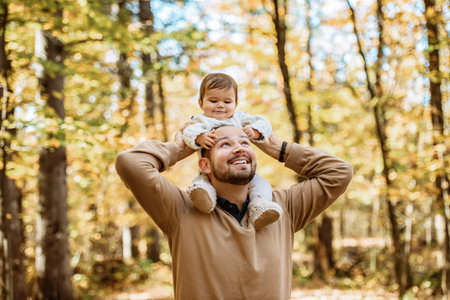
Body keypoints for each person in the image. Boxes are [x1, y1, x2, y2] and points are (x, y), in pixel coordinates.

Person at [115, 125, 353, 299]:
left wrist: (277, 148)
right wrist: (181, 147)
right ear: (205, 165)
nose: (239, 149)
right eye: (225, 144)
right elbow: (131, 163)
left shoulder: (284, 207)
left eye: (245, 143)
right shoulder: (180, 209)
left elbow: (339, 172)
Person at [183, 72, 282, 229]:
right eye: (213, 100)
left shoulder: (239, 118)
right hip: (210, 171)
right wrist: (200, 136)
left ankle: (260, 205)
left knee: (261, 183)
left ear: (235, 104)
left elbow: (264, 123)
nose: (220, 105)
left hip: (243, 169)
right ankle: (204, 197)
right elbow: (188, 131)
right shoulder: (202, 120)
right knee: (200, 182)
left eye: (227, 101)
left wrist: (255, 131)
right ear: (201, 103)